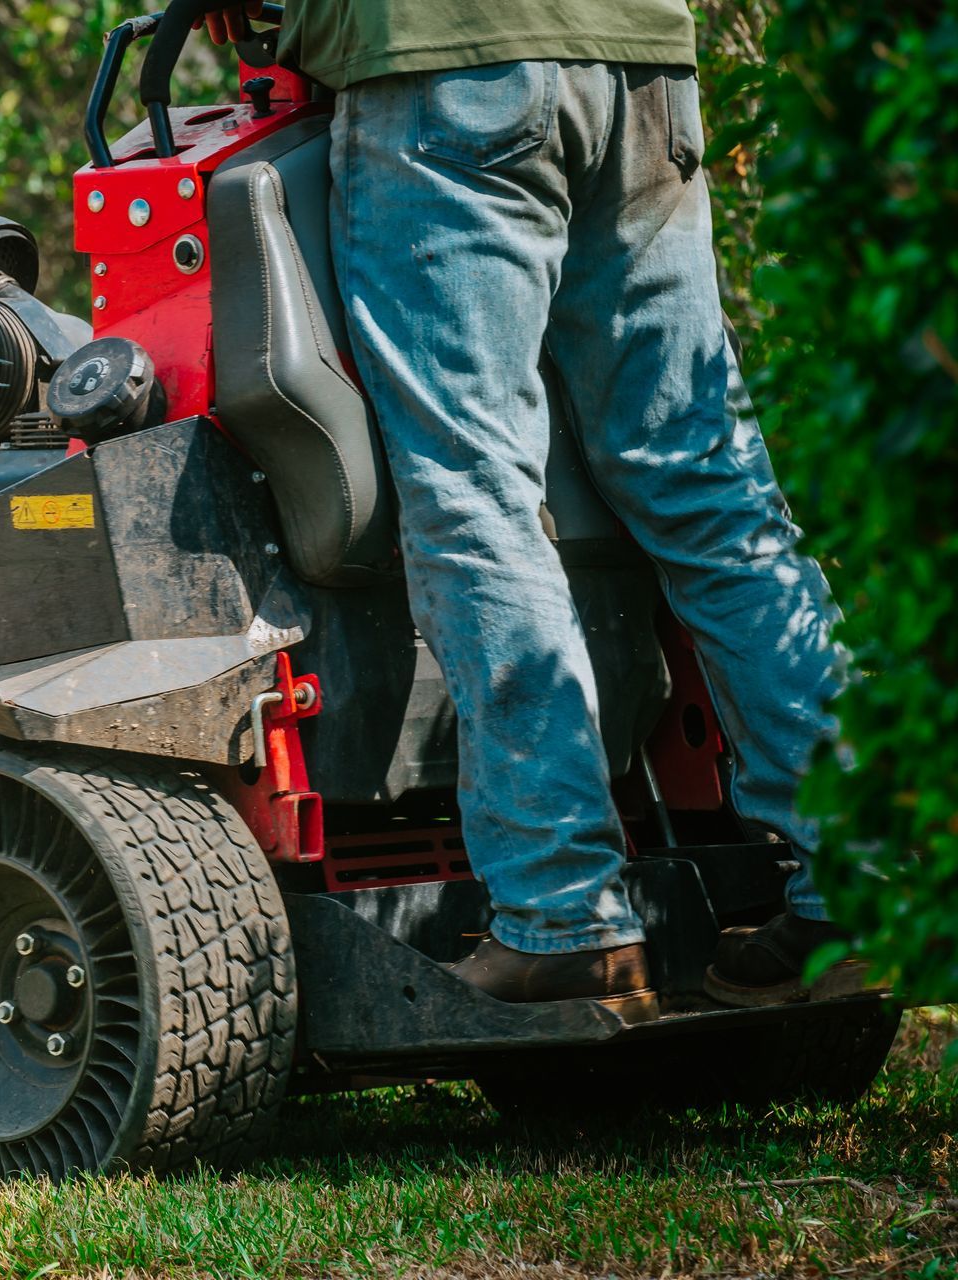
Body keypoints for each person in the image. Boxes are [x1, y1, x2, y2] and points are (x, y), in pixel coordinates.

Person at [199, 0, 860, 1011]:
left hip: (447, 76)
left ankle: (565, 914)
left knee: (474, 489)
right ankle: (866, 881)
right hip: (638, 65)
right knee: (704, 480)